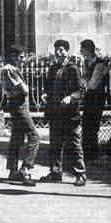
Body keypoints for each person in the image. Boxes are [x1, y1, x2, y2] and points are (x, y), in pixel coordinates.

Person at [40, 39, 87, 186]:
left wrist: (70, 97)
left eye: (61, 50)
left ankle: (80, 174)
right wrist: (45, 95)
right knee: (55, 144)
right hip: (55, 113)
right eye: (56, 49)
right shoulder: (53, 68)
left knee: (74, 144)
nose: (58, 53)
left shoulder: (72, 68)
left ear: (67, 51)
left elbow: (81, 90)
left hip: (70, 114)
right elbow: (48, 88)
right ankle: (55, 172)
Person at [0, 45, 39, 186]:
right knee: (34, 136)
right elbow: (23, 89)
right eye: (21, 57)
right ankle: (26, 169)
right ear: (13, 56)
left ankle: (13, 170)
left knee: (17, 137)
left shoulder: (13, 69)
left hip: (18, 105)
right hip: (18, 105)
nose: (23, 60)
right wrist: (26, 88)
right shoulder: (9, 69)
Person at [81, 39, 109, 164]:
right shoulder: (86, 62)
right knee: (87, 125)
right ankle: (87, 154)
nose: (81, 51)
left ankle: (92, 154)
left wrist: (82, 82)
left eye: (82, 49)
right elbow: (85, 78)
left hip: (97, 98)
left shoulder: (100, 63)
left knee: (93, 126)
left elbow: (92, 84)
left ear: (88, 49)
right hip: (89, 98)